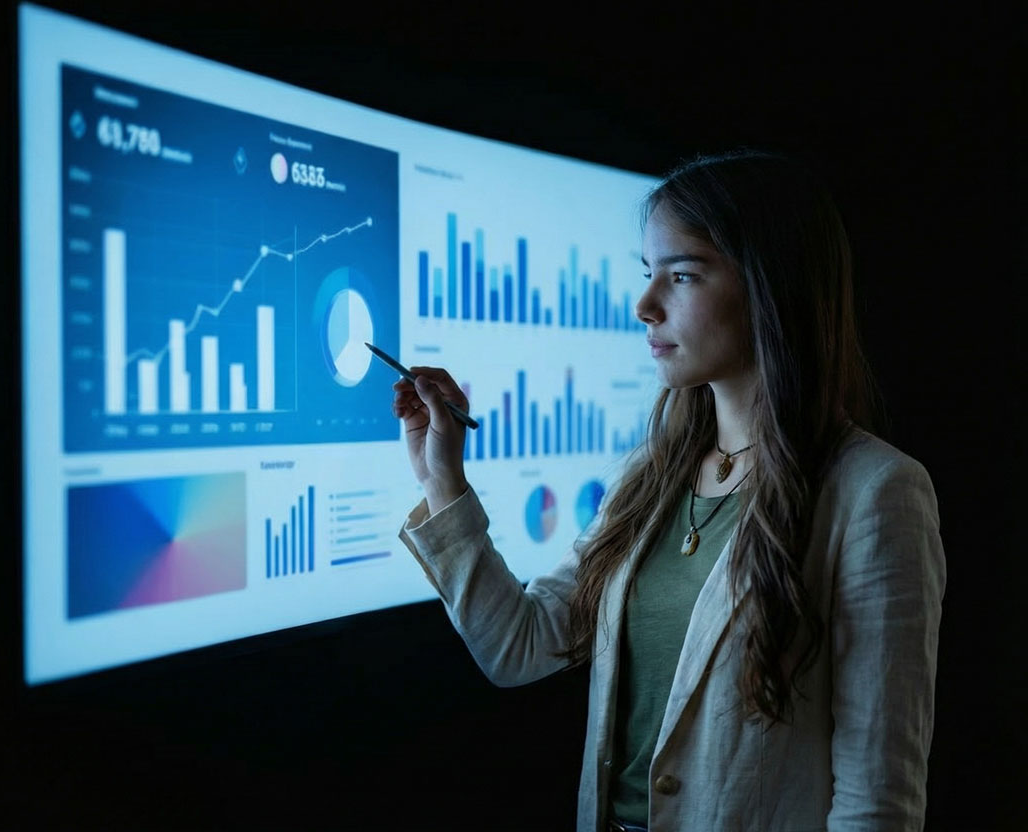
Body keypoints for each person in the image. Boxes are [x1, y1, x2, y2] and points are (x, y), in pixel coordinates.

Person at [391, 150, 945, 832]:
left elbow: (876, 802)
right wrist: (442, 478)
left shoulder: (875, 492)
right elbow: (520, 645)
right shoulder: (649, 477)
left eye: (681, 275)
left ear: (770, 287)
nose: (645, 305)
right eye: (648, 274)